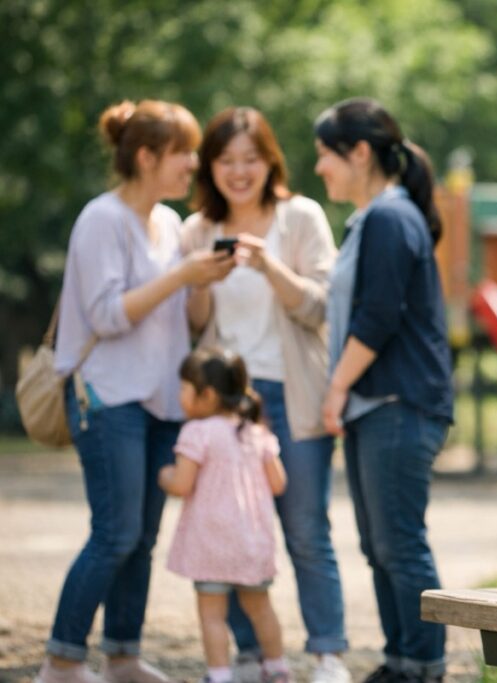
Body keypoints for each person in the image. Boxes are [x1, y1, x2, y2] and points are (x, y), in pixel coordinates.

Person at [36, 100, 234, 683]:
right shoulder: (102, 219)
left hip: (161, 401)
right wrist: (180, 275)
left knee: (141, 538)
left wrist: (202, 282)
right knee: (115, 533)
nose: (193, 164)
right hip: (108, 398)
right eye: (183, 153)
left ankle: (122, 655)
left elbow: (187, 320)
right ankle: (61, 660)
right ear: (146, 157)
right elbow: (106, 315)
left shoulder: (169, 223)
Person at [181, 107, 349, 683]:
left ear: (270, 160)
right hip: (228, 409)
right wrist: (202, 281)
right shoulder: (197, 230)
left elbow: (321, 307)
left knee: (305, 528)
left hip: (293, 395)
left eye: (250, 158)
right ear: (210, 167)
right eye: (226, 160)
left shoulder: (300, 217)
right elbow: (194, 326)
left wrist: (270, 264)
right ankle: (252, 657)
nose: (239, 171)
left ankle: (327, 652)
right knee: (231, 531)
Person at [314, 98, 453, 683]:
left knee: (398, 542)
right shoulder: (375, 219)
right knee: (379, 544)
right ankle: (402, 659)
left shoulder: (390, 219)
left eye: (325, 155)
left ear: (360, 152)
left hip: (398, 403)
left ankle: (423, 662)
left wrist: (335, 388)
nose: (319, 167)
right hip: (381, 406)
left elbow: (378, 317)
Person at [159, 348, 290, 683]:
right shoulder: (255, 432)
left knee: (212, 614)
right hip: (251, 541)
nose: (180, 395)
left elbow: (182, 484)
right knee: (261, 609)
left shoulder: (197, 433)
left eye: (184, 388)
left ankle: (219, 675)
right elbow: (279, 483)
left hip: (211, 543)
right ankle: (277, 669)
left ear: (208, 395)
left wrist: (165, 476)